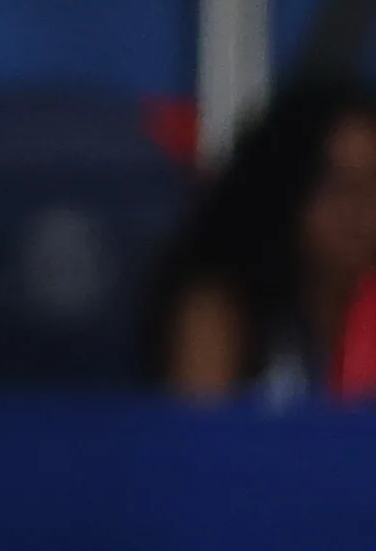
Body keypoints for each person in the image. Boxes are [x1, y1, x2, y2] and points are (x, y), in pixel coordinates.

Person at [153, 75, 376, 400]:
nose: (358, 212)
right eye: (335, 186)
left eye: (373, 187)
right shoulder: (218, 311)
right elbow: (200, 445)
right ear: (284, 190)